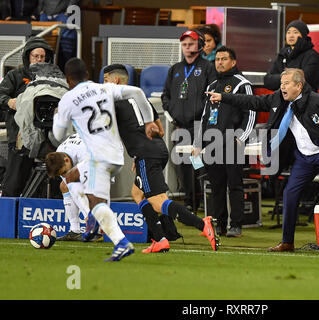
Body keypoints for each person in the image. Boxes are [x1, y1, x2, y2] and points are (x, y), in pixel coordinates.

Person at [207, 68, 319, 254]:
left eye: (286, 84)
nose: (282, 87)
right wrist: (223, 97)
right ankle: (287, 242)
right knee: (290, 194)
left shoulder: (318, 101)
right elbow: (252, 101)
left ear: (299, 86)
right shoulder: (278, 100)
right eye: (281, 84)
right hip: (303, 158)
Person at [102, 64, 219, 253]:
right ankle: (160, 239)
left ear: (116, 81)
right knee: (137, 194)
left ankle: (202, 224)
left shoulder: (114, 103)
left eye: (106, 80)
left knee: (158, 202)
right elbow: (160, 129)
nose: (103, 84)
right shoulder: (143, 100)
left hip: (147, 154)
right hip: (158, 149)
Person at [52, 57, 156, 261]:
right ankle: (93, 219)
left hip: (97, 157)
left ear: (68, 79)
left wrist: (58, 116)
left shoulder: (68, 98)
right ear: (88, 75)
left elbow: (57, 134)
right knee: (72, 178)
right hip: (117, 156)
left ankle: (116, 238)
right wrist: (149, 121)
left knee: (96, 202)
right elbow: (137, 92)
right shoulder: (104, 88)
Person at [193, 46, 256, 237]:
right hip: (212, 143)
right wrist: (198, 142)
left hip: (232, 142)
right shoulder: (211, 85)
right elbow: (205, 116)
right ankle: (218, 225)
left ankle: (236, 225)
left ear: (233, 62)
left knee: (234, 184)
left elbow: (251, 112)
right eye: (217, 59)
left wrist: (241, 138)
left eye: (224, 59)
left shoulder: (242, 84)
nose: (219, 62)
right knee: (216, 186)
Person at [161, 29, 216, 211]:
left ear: (199, 45)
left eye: (190, 44)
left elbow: (212, 96)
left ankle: (207, 202)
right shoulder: (175, 69)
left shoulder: (208, 68)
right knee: (183, 165)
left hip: (200, 125)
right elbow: (165, 96)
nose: (187, 47)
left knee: (200, 165)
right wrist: (174, 112)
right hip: (180, 126)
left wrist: (202, 114)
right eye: (184, 44)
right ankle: (190, 202)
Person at [0, 37, 54, 197]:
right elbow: (1, 94)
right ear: (27, 57)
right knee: (14, 182)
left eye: (42, 57)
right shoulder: (15, 75)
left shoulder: (53, 77)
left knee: (51, 179)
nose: (39, 60)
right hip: (20, 136)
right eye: (35, 56)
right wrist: (9, 101)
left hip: (46, 136)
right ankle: (7, 215)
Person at [45, 133, 100, 242]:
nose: (65, 175)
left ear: (66, 160)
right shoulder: (59, 154)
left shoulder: (84, 153)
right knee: (64, 186)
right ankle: (75, 231)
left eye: (65, 172)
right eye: (62, 174)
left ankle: (96, 232)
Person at [263, 20, 319, 92]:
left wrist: (281, 79)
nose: (291, 35)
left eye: (295, 32)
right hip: (283, 100)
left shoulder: (312, 55)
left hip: (305, 100)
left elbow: (304, 80)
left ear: (303, 35)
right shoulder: (283, 54)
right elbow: (268, 80)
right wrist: (290, 78)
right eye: (288, 32)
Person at [38, 0, 80, 72]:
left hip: (63, 15)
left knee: (66, 49)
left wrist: (67, 12)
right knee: (42, 47)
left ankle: (67, 75)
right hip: (45, 15)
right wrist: (40, 10)